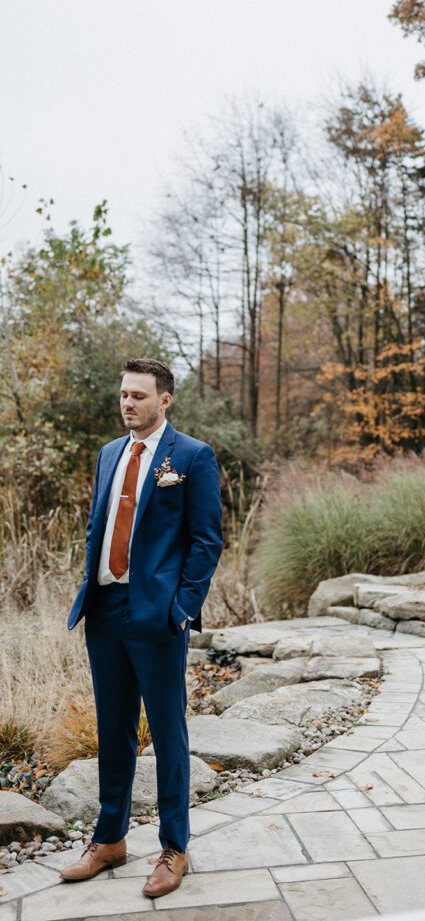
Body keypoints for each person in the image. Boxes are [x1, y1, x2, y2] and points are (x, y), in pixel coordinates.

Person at [62, 358, 223, 898]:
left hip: (158, 615)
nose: (128, 403)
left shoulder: (193, 457)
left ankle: (174, 847)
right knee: (114, 729)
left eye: (138, 395)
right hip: (105, 611)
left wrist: (182, 608)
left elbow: (206, 540)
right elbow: (96, 527)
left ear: (165, 400)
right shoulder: (110, 453)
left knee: (168, 733)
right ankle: (109, 840)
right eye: (124, 395)